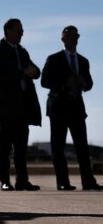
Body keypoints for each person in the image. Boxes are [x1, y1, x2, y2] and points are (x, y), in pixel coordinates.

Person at [41, 26, 103, 191]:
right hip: (58, 108)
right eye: (68, 36)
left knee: (82, 148)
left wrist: (85, 83)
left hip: (76, 108)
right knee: (58, 148)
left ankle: (88, 182)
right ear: (62, 39)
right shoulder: (53, 59)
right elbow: (44, 81)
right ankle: (63, 182)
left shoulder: (83, 61)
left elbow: (89, 84)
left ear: (78, 38)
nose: (72, 39)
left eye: (75, 36)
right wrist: (63, 84)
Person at [0, 19, 41, 191]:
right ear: (7, 32)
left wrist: (35, 71)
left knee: (21, 148)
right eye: (19, 31)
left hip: (23, 106)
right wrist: (22, 72)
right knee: (4, 147)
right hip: (6, 106)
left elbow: (34, 70)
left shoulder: (22, 51)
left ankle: (22, 180)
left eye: (22, 31)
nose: (22, 34)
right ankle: (5, 180)